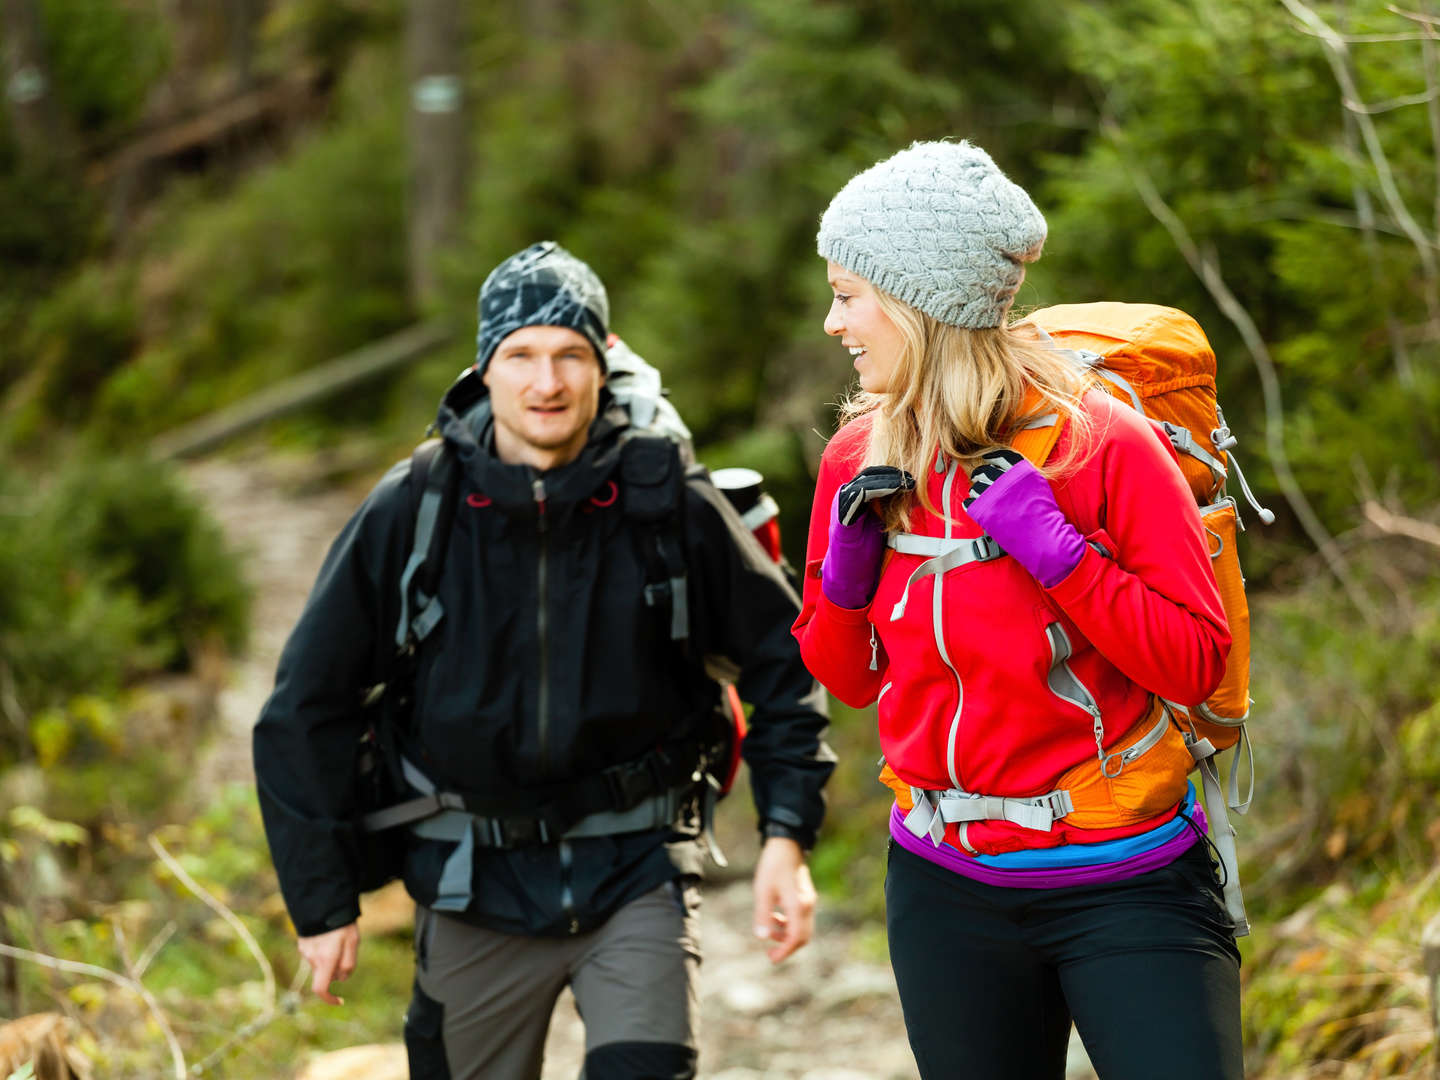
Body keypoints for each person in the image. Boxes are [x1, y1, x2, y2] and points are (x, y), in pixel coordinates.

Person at [254, 241, 835, 1080]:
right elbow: (304, 706)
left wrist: (787, 835)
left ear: (604, 367)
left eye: (570, 355)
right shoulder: (418, 506)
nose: (547, 382)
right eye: (520, 355)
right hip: (469, 885)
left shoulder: (666, 500)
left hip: (638, 872)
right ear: (484, 370)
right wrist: (321, 902)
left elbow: (786, 659)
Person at [792, 141, 1243, 1079]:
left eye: (848, 294)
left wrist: (1059, 555)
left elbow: (1197, 659)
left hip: (1128, 878)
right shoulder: (857, 458)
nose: (834, 322)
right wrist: (847, 578)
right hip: (946, 886)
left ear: (920, 300)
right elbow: (845, 677)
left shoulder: (1099, 445)